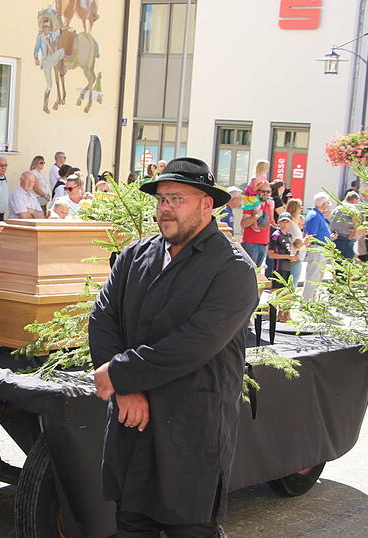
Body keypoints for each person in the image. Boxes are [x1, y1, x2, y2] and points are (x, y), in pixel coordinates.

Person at [88, 157, 258, 538]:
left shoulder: (233, 269)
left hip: (190, 432)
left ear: (206, 204)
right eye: (161, 198)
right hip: (132, 424)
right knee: (131, 525)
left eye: (176, 198)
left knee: (190, 529)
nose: (164, 208)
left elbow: (193, 344)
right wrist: (127, 388)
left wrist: (119, 374)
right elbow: (102, 319)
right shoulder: (135, 256)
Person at [301, 193, 337, 301]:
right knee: (313, 276)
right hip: (317, 249)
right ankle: (307, 302)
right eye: (328, 202)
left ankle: (311, 300)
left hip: (321, 248)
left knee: (317, 277)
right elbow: (311, 235)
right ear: (324, 204)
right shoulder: (315, 215)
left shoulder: (318, 215)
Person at [239, 179, 275, 269]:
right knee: (249, 274)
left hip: (263, 244)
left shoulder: (269, 205)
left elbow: (268, 225)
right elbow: (243, 223)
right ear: (257, 192)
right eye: (263, 191)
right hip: (251, 244)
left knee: (257, 275)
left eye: (268, 192)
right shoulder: (251, 204)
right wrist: (256, 216)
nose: (265, 193)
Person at [268, 212, 297, 321]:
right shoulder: (276, 235)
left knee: (287, 292)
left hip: (287, 267)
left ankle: (283, 314)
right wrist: (287, 257)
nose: (284, 224)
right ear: (278, 222)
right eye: (282, 221)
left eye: (287, 221)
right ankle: (272, 315)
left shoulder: (289, 235)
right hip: (278, 267)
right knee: (276, 291)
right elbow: (271, 254)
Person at [329, 191, 360, 259]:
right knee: (346, 264)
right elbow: (356, 218)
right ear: (354, 200)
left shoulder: (337, 208)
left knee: (338, 263)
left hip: (335, 238)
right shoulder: (351, 207)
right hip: (346, 239)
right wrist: (355, 231)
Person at [284, 198, 306, 287]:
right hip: (294, 259)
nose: (302, 209)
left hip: (290, 259)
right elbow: (296, 244)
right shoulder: (292, 225)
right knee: (291, 288)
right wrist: (305, 241)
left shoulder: (291, 223)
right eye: (300, 207)